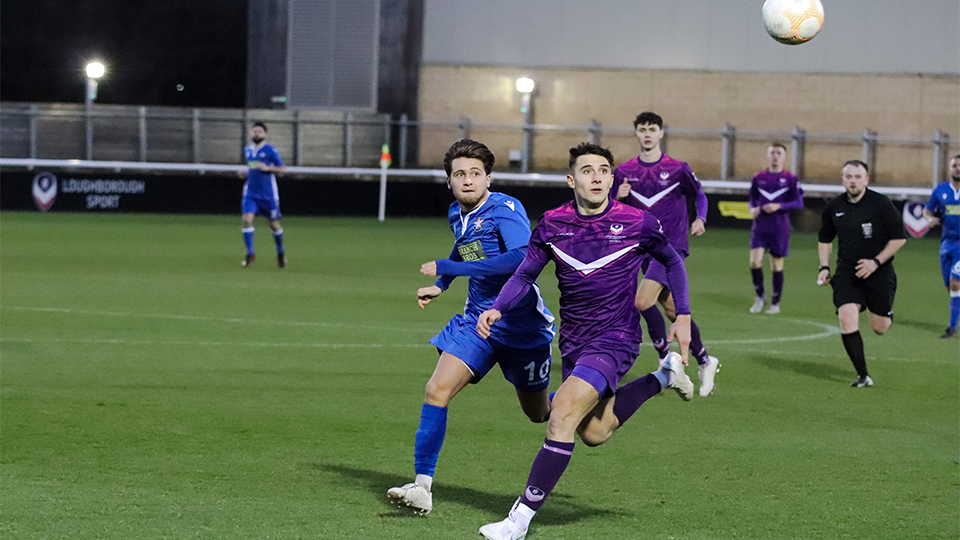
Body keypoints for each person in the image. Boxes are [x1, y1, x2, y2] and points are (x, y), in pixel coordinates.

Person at [475, 143, 693, 540]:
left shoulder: (637, 222)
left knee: (560, 413)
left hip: (617, 338)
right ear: (572, 179)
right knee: (593, 432)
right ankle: (663, 377)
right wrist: (498, 307)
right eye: (588, 170)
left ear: (612, 178)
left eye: (604, 170)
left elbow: (672, 260)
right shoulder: (552, 224)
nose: (597, 177)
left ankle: (518, 521)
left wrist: (684, 316)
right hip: (574, 342)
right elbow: (525, 275)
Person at [387, 139, 556, 515]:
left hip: (522, 327)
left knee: (539, 414)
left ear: (488, 179)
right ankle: (422, 487)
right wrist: (441, 284)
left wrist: (454, 270)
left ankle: (583, 399)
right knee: (436, 389)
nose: (467, 181)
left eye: (475, 174)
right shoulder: (456, 213)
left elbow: (520, 258)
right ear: (449, 182)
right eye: (459, 174)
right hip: (476, 325)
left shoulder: (506, 208)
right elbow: (464, 248)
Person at [611, 111, 720, 396]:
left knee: (642, 300)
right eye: (642, 129)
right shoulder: (624, 172)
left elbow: (699, 194)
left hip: (670, 247)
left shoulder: (677, 168)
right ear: (636, 133)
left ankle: (664, 360)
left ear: (661, 133)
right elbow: (609, 208)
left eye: (652, 129)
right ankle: (706, 361)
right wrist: (618, 197)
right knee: (672, 310)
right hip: (640, 248)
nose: (647, 133)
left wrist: (701, 218)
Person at [817, 160, 907, 387]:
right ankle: (863, 375)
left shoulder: (880, 203)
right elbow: (825, 239)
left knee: (880, 327)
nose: (853, 181)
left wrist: (875, 262)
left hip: (879, 272)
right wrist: (824, 267)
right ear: (843, 179)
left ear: (866, 179)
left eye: (858, 177)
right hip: (847, 272)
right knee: (846, 319)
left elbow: (899, 238)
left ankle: (884, 312)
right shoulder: (834, 207)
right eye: (848, 177)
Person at [748, 143, 805, 314]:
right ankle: (760, 297)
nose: (775, 156)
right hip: (760, 226)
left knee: (776, 264)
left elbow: (799, 202)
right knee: (754, 261)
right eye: (772, 152)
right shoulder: (759, 177)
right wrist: (752, 208)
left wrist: (778, 206)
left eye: (779, 153)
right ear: (768, 155)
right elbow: (752, 198)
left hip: (779, 227)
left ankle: (775, 302)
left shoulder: (790, 179)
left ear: (784, 157)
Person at [922, 154, 960, 339]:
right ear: (950, 168)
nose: (957, 168)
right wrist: (929, 218)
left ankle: (952, 328)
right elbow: (927, 209)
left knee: (955, 282)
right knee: (950, 286)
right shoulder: (941, 190)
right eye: (954, 165)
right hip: (947, 244)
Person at [241, 121, 287, 268]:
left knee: (273, 224)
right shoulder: (248, 150)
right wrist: (245, 172)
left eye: (260, 131)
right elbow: (251, 167)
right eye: (255, 131)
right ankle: (250, 253)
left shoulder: (270, 150)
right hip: (251, 192)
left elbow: (282, 169)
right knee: (247, 219)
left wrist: (268, 168)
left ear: (265, 134)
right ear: (250, 133)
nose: (257, 134)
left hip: (268, 194)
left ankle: (280, 251)